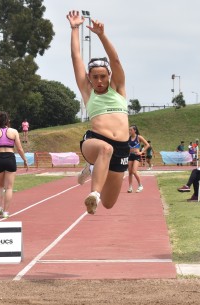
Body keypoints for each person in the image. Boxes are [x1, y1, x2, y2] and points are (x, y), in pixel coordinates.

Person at [68, 10, 130, 214]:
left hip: (122, 148)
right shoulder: (88, 91)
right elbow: (76, 57)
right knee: (105, 150)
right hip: (95, 141)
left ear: (109, 75)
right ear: (89, 77)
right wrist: (75, 28)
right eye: (95, 77)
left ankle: (92, 169)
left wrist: (101, 35)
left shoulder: (118, 89)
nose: (100, 81)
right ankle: (94, 193)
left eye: (103, 76)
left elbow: (116, 60)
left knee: (109, 203)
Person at [0, 111, 28, 218]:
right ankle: (5, 211)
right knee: (9, 187)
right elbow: (19, 148)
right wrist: (25, 160)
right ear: (8, 121)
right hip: (10, 158)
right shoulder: (14, 132)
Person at [127, 125, 149, 193]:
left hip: (136, 156)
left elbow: (147, 145)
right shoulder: (128, 138)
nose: (129, 131)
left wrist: (141, 152)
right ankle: (130, 187)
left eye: (131, 130)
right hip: (130, 156)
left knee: (134, 171)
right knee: (130, 172)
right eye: (129, 130)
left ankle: (140, 185)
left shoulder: (139, 137)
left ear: (135, 130)